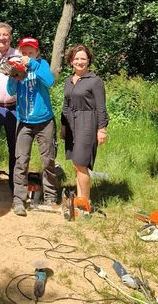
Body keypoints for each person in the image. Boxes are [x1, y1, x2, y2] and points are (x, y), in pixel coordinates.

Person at [6, 37, 58, 216]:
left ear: (37, 53)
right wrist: (13, 74)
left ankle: (50, 195)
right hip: (24, 121)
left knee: (48, 160)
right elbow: (11, 91)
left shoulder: (41, 65)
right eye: (24, 52)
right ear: (19, 53)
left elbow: (50, 82)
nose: (27, 55)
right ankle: (19, 200)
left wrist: (33, 65)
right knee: (21, 161)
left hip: (45, 120)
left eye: (31, 52)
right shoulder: (17, 67)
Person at [61, 44, 109, 202]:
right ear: (71, 61)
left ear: (88, 61)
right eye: (76, 58)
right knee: (76, 164)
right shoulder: (68, 81)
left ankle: (84, 203)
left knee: (81, 163)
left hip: (88, 123)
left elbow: (101, 107)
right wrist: (64, 127)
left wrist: (102, 129)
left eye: (83, 58)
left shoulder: (95, 81)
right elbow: (66, 105)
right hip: (71, 124)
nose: (80, 61)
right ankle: (79, 198)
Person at [0, 22, 21, 191]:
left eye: (5, 35)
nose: (2, 38)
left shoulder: (19, 55)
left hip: (15, 107)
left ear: (10, 37)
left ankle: (15, 186)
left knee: (15, 147)